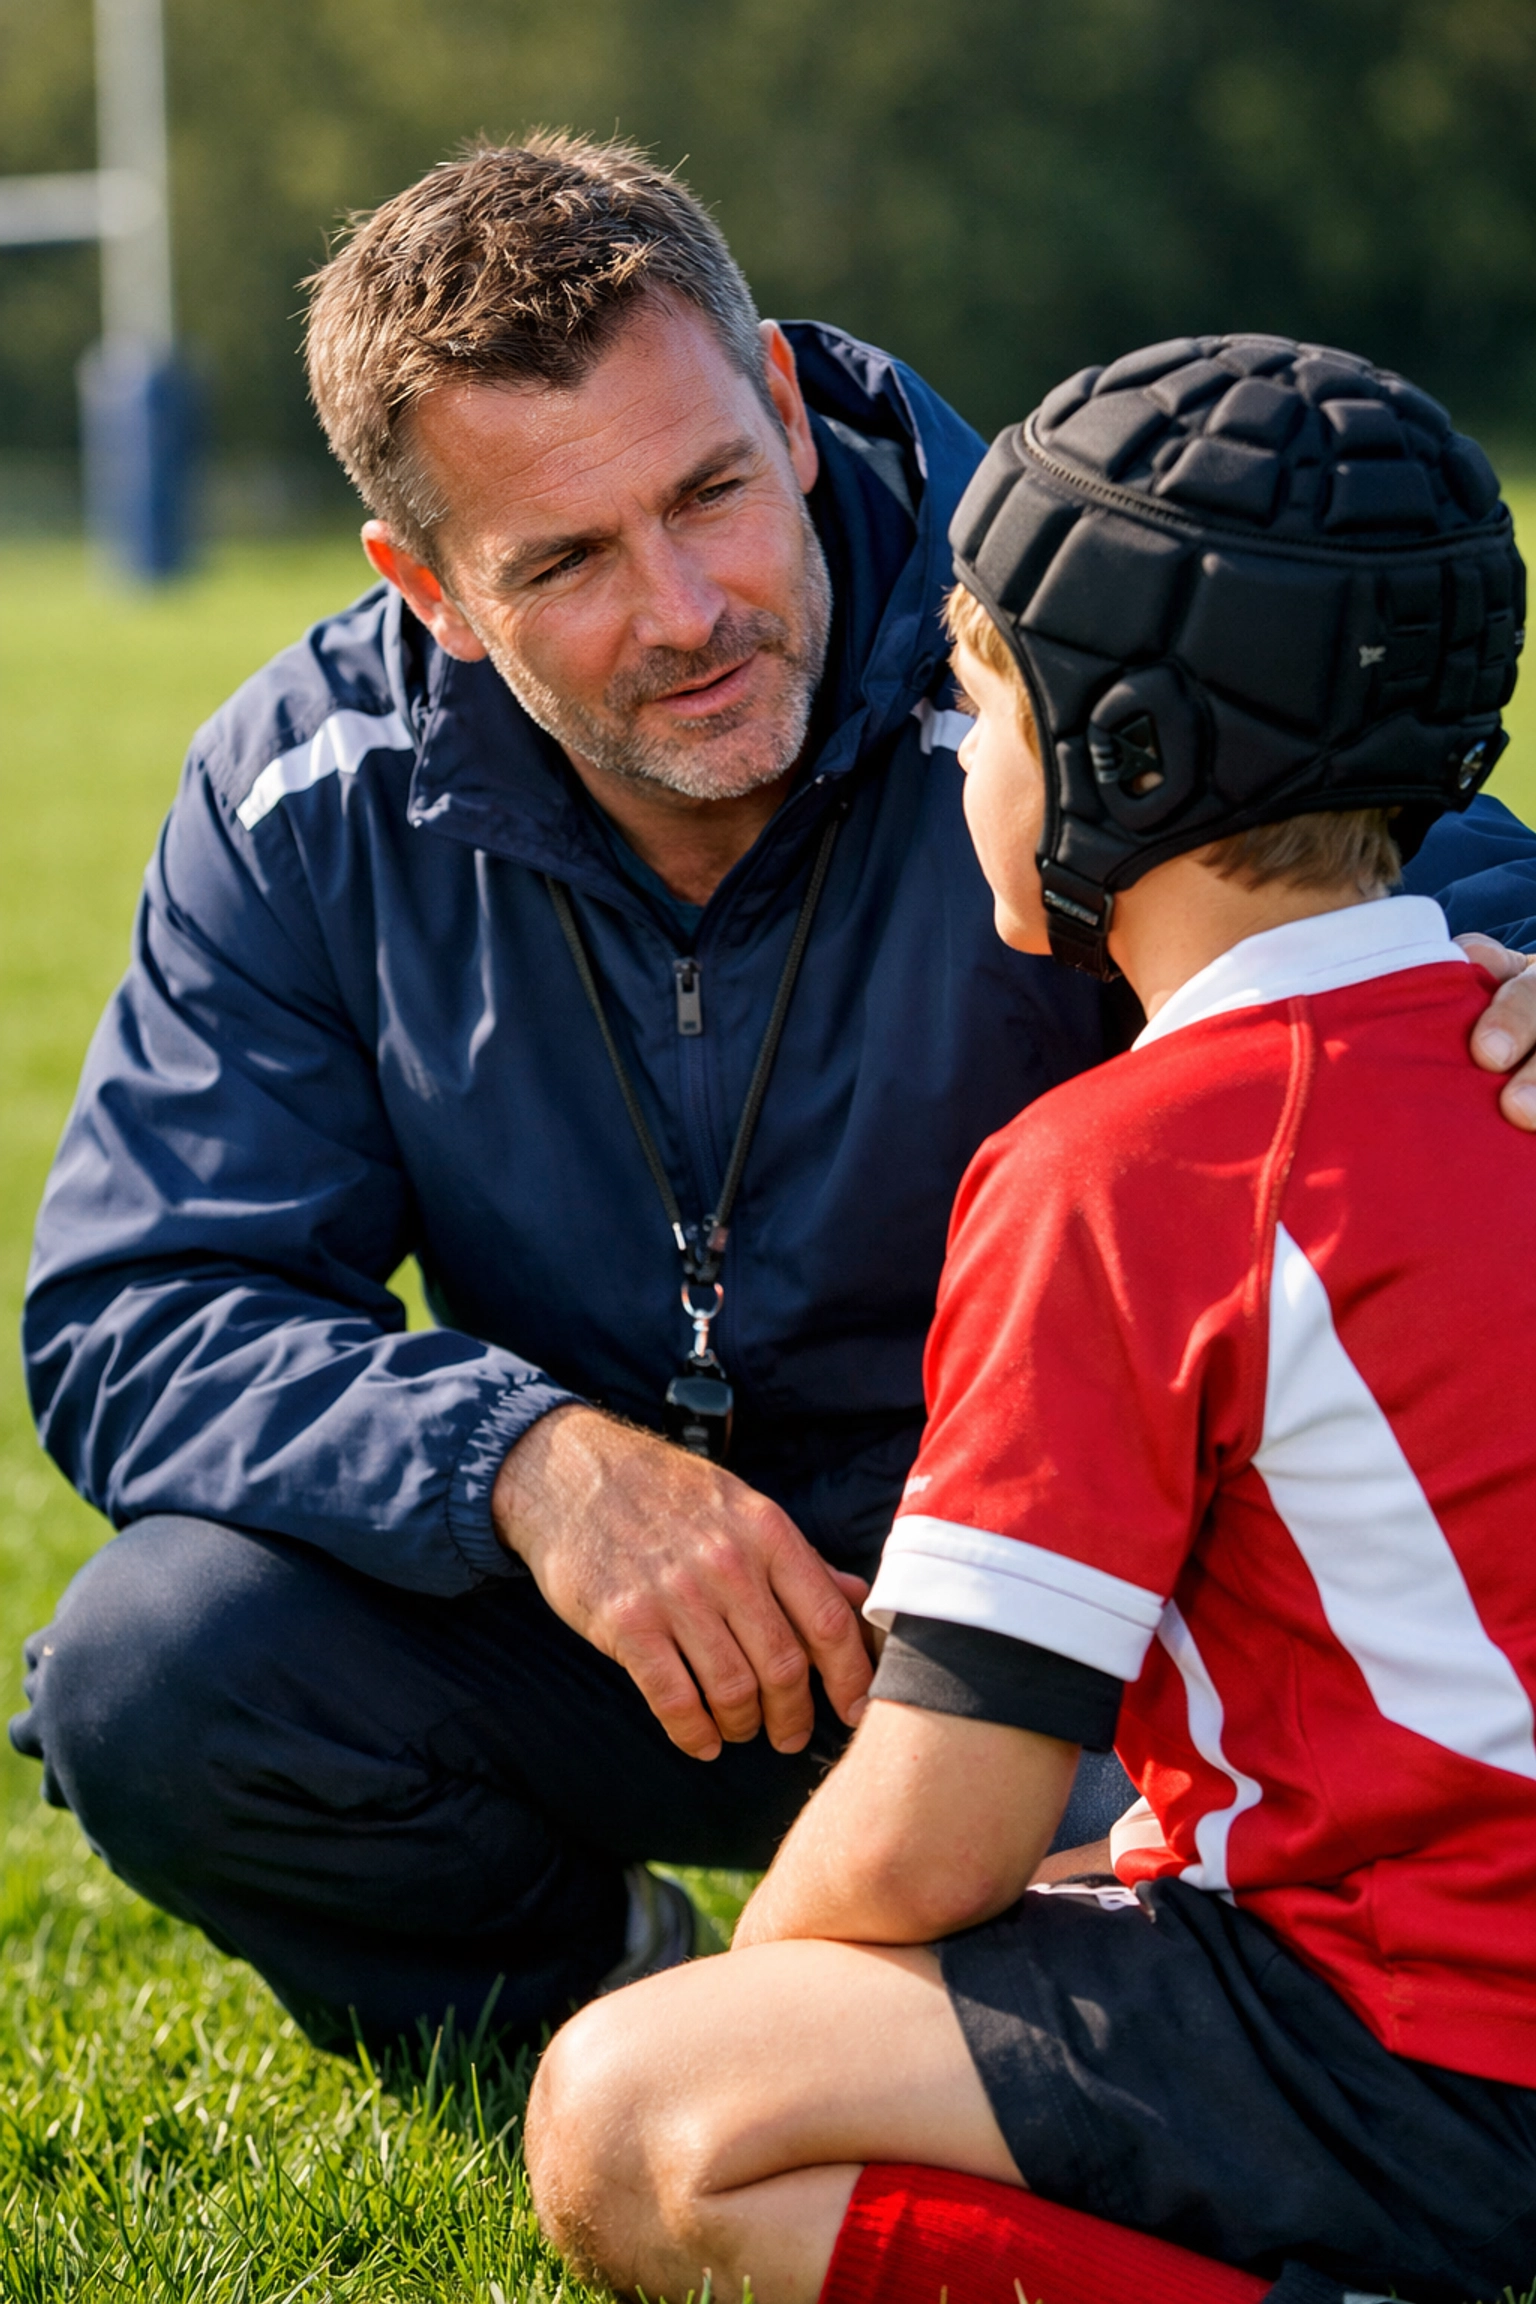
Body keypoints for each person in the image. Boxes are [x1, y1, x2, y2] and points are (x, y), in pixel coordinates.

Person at [13, 138, 1536, 2057]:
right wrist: (520, 1461)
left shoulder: (1077, 621)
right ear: (432, 587)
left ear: (792, 416)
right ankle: (613, 2013)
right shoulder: (302, 793)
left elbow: (1407, 877)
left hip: (1090, 1641)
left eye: (713, 490)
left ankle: (1010, 2009)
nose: (686, 608)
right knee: (157, 1669)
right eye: (564, 561)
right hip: (629, 1642)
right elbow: (140, 1308)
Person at [524, 337, 1536, 2304]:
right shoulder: (1505, 1041)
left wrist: (774, 1993)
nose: (952, 764)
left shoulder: (1124, 1167)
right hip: (1445, 1981)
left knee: (636, 2110)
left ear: (1121, 760)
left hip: (1438, 2050)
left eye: (975, 708)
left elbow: (934, 1829)